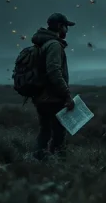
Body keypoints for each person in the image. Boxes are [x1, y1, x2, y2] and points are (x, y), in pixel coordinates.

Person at [30, 13, 76, 160]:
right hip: (52, 97)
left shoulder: (42, 43)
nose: (66, 31)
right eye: (65, 27)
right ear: (58, 26)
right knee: (57, 134)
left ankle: (37, 162)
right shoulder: (54, 45)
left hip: (41, 96)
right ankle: (55, 166)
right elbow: (54, 71)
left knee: (45, 131)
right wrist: (66, 94)